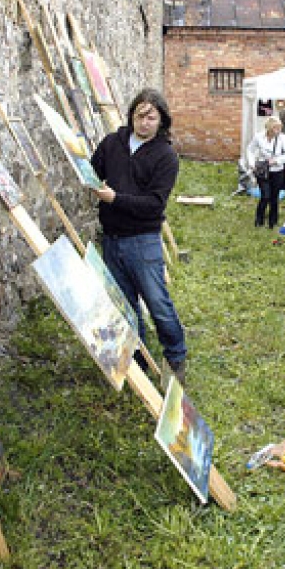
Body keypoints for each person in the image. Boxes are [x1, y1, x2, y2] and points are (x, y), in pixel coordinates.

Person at [91, 88, 189, 385]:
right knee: (123, 304)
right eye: (139, 115)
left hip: (143, 240)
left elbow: (154, 204)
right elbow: (93, 170)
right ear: (131, 115)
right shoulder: (112, 143)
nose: (144, 122)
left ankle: (175, 356)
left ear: (161, 120)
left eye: (151, 117)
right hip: (112, 238)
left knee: (157, 302)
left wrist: (115, 198)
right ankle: (138, 359)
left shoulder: (165, 156)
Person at [247, 115, 285, 229]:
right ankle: (259, 220)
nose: (278, 130)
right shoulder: (258, 137)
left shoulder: (281, 138)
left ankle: (273, 221)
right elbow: (250, 150)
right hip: (263, 170)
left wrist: (277, 160)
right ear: (269, 128)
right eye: (275, 128)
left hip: (277, 171)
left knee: (274, 197)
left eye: (279, 128)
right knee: (265, 196)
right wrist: (252, 164)